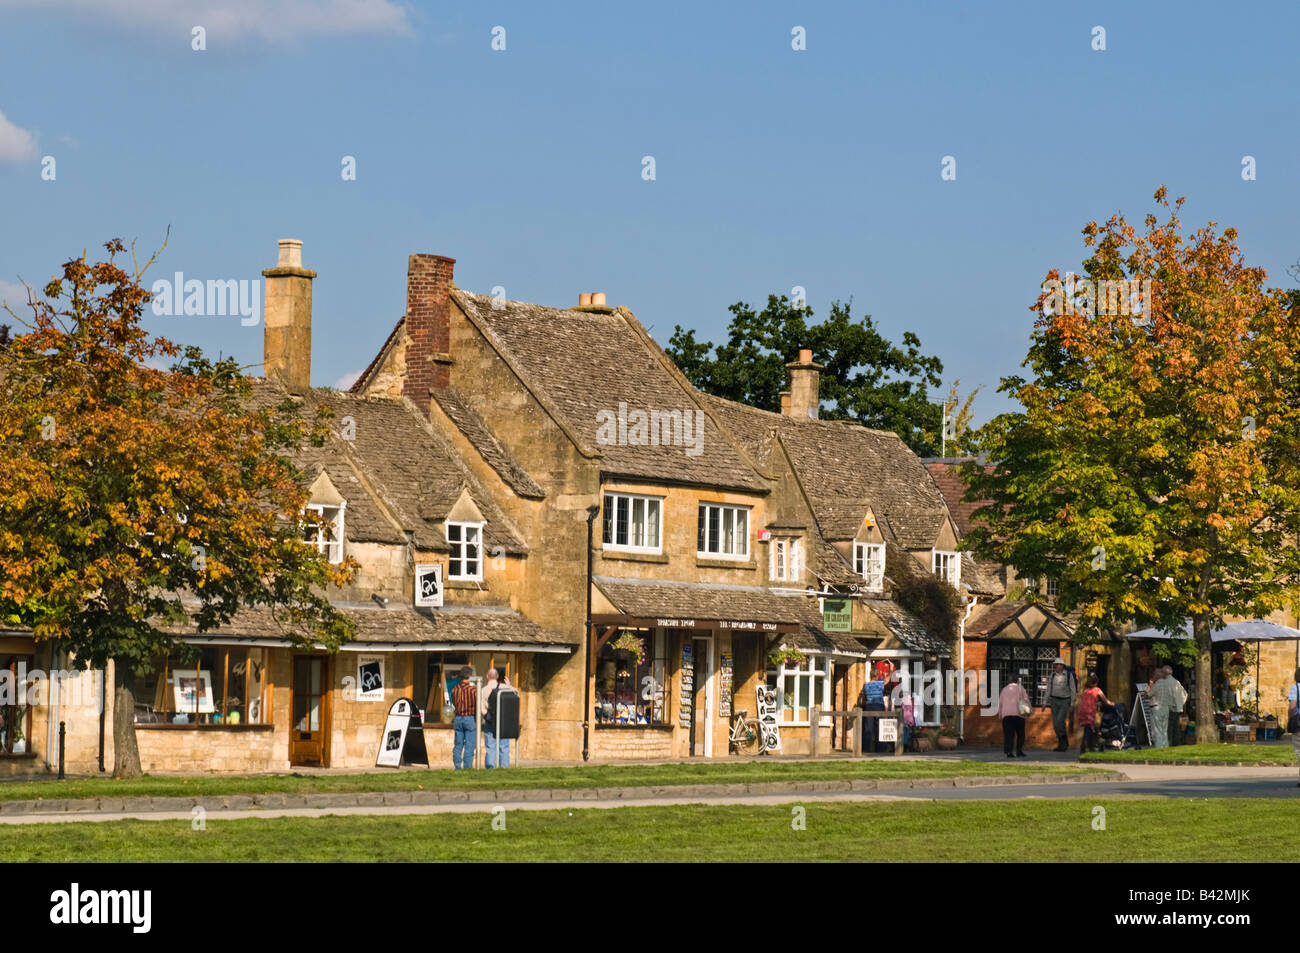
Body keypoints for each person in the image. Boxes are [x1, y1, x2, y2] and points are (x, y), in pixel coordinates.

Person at [482, 669, 512, 769]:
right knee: (504, 746)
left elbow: (481, 708)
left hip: (490, 721)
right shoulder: (505, 688)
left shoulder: (483, 690)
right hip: (503, 721)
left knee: (490, 747)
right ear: (498, 676)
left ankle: (490, 767)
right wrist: (509, 685)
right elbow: (516, 695)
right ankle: (504, 768)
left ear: (487, 676)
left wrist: (488, 717)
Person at [450, 666, 478, 769]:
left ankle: (457, 766)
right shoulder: (473, 690)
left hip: (458, 718)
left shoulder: (454, 689)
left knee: (458, 744)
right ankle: (467, 767)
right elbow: (477, 703)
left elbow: (454, 703)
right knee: (469, 745)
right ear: (470, 676)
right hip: (469, 718)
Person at [997, 674, 1030, 758]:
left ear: (1009, 681)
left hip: (1007, 716)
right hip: (1019, 715)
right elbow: (1026, 700)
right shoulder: (1021, 689)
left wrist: (1000, 714)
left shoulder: (1004, 690)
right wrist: (1028, 711)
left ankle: (1009, 752)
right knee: (1020, 734)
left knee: (1008, 735)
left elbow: (1000, 703)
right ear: (1016, 680)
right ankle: (1019, 751)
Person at [1047, 657, 1076, 751]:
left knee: (1060, 721)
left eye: (1059, 665)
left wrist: (1072, 704)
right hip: (1054, 700)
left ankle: (1063, 742)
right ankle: (1062, 742)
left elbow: (1073, 690)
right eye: (1056, 665)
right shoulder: (1052, 676)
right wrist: (1044, 702)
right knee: (1056, 724)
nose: (1057, 667)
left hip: (1065, 700)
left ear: (1063, 666)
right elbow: (1048, 689)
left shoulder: (1068, 675)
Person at [1075, 675, 1111, 754]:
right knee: (1090, 727)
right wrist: (1112, 704)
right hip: (1090, 711)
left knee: (1089, 728)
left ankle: (1091, 746)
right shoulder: (1097, 690)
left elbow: (1079, 697)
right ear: (1096, 683)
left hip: (1082, 710)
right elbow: (1105, 700)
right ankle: (1085, 742)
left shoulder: (1084, 689)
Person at [1144, 667, 1170, 748]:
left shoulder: (1157, 684)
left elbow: (1147, 695)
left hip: (1157, 708)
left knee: (1157, 730)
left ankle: (1158, 748)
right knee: (1164, 730)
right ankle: (1165, 747)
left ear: (1157, 676)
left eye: (1154, 675)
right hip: (1166, 707)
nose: (1152, 676)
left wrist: (1150, 685)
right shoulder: (1167, 684)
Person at [1163, 666, 1188, 747]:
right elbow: (1185, 694)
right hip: (1177, 708)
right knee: (1176, 727)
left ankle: (1169, 744)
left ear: (1165, 673)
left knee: (1169, 728)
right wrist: (1180, 703)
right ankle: (1176, 744)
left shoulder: (1165, 683)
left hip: (1169, 708)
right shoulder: (1176, 682)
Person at [1288, 668, 1300, 788]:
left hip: (1299, 722)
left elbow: (1292, 706)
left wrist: (1290, 718)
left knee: (1299, 750)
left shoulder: (1295, 688)